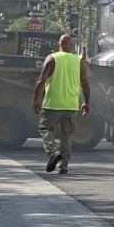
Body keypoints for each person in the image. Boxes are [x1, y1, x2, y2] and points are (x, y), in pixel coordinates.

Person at [32, 34, 90, 174]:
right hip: (71, 105)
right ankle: (63, 166)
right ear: (71, 46)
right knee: (66, 136)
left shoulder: (52, 58)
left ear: (59, 44)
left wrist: (35, 99)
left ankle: (53, 153)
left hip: (52, 103)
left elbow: (41, 80)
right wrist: (86, 102)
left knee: (45, 128)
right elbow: (85, 84)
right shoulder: (78, 61)